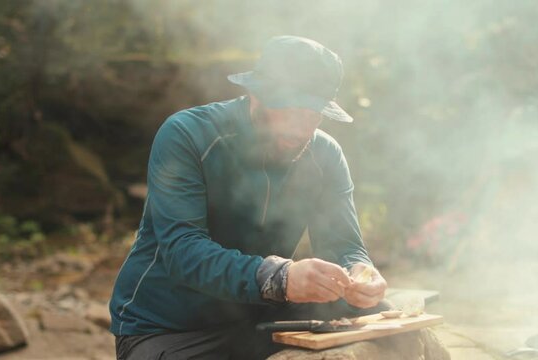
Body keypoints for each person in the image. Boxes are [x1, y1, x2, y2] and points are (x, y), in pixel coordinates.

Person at [108, 35, 389, 359]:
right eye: (289, 110)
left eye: (311, 114)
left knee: (383, 315)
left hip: (261, 316)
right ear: (257, 94)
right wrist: (281, 277)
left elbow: (345, 247)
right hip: (170, 327)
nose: (299, 131)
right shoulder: (188, 135)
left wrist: (361, 272)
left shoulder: (325, 155)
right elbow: (182, 251)